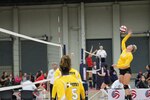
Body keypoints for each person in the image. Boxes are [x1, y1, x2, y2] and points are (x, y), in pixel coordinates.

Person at [113, 30, 137, 100]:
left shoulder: (130, 55)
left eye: (130, 46)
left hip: (127, 70)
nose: (128, 45)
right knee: (121, 82)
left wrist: (117, 66)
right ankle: (129, 95)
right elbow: (123, 41)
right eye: (129, 45)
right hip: (121, 70)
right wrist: (128, 35)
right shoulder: (124, 50)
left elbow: (126, 65)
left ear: (131, 49)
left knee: (125, 85)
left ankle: (128, 97)